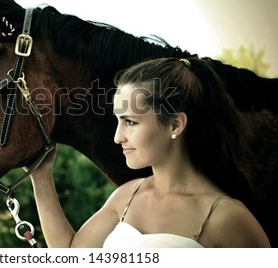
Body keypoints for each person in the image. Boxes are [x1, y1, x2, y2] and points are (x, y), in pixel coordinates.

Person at [28, 57, 270, 248]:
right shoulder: (127, 196)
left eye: (130, 122)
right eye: (118, 121)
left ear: (175, 124)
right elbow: (72, 254)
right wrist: (40, 174)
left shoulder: (227, 218)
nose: (117, 136)